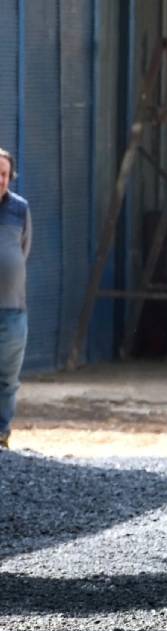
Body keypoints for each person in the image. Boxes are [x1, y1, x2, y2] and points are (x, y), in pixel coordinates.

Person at [0, 147, 30, 451]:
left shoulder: (20, 208)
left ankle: (1, 434)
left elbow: (24, 250)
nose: (0, 179)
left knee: (8, 378)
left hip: (12, 309)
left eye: (4, 174)